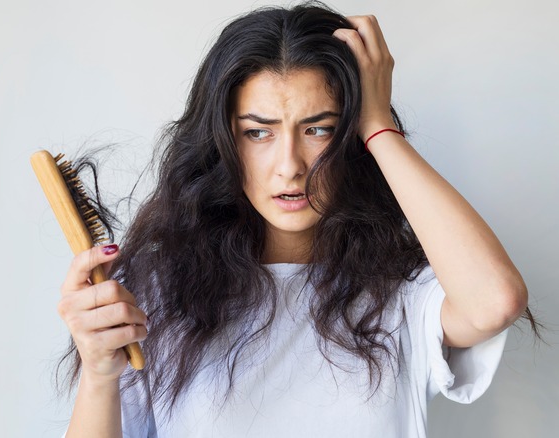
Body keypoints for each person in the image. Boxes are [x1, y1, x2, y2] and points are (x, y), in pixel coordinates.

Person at [53, 2, 538, 437]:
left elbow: (495, 302)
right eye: (258, 132)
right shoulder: (157, 294)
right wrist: (98, 374)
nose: (290, 166)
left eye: (319, 128)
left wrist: (377, 123)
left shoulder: (404, 294)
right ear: (223, 141)